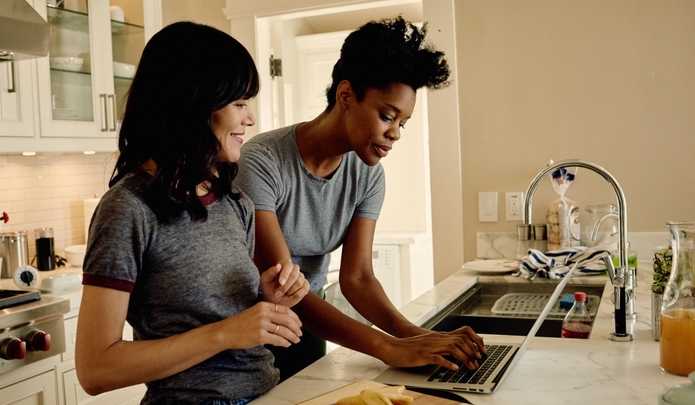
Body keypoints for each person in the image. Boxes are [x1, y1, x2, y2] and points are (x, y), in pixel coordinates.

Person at [234, 16, 486, 382]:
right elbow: (283, 284)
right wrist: (388, 347)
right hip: (251, 325)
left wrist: (420, 336)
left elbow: (358, 276)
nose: (395, 133)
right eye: (387, 116)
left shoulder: (367, 174)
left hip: (310, 322)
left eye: (403, 123)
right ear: (346, 96)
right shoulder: (262, 162)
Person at [74, 21, 309, 405]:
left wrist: (268, 302)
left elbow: (226, 320)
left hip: (269, 392)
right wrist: (228, 332)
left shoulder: (235, 202)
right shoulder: (128, 209)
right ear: (194, 104)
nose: (250, 119)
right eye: (239, 103)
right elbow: (95, 368)